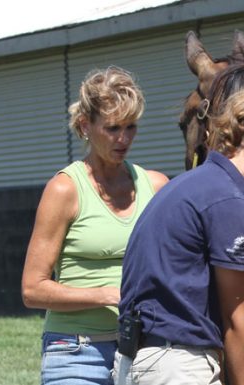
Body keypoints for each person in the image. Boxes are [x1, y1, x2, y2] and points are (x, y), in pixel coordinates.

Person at [114, 84, 244, 385]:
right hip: (177, 366)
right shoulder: (230, 201)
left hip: (133, 361)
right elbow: (234, 320)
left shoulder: (187, 185)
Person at [21, 66, 168, 385]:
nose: (124, 138)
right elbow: (32, 290)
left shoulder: (155, 186)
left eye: (131, 127)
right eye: (113, 128)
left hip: (143, 349)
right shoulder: (64, 190)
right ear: (86, 126)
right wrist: (106, 294)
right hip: (76, 351)